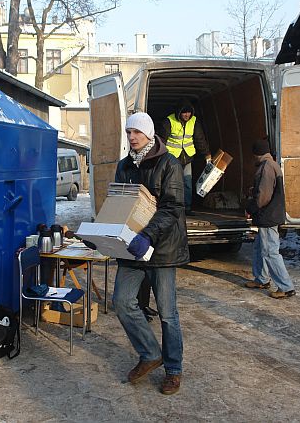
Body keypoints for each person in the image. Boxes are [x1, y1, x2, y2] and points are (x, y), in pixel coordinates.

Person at [112, 112, 189, 395]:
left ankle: (174, 370)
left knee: (168, 314)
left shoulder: (169, 164)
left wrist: (148, 235)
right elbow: (119, 203)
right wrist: (105, 235)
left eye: (136, 132)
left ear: (149, 134)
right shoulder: (124, 166)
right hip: (132, 248)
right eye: (128, 132)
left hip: (162, 249)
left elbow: (173, 207)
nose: (131, 137)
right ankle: (150, 353)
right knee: (121, 301)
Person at [244, 139, 296, 299]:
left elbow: (263, 197)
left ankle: (286, 287)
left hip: (268, 215)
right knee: (260, 247)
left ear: (256, 154)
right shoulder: (272, 164)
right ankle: (262, 279)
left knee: (270, 252)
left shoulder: (265, 168)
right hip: (271, 214)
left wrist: (251, 208)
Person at [159, 99, 211, 215]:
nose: (187, 115)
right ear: (179, 112)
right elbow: (162, 140)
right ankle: (171, 207)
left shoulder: (194, 121)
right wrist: (160, 157)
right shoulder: (169, 121)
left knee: (187, 182)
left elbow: (199, 139)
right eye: (184, 112)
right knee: (171, 183)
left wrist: (206, 154)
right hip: (172, 158)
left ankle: (187, 207)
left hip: (188, 157)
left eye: (189, 112)